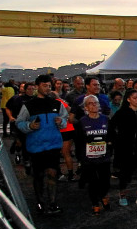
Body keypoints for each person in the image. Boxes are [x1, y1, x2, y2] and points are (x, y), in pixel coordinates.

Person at [16, 75, 68, 215]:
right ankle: (40, 202)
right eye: (45, 85)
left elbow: (65, 119)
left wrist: (61, 122)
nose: (47, 88)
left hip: (53, 145)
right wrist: (30, 126)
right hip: (36, 145)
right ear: (37, 86)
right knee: (38, 175)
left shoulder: (56, 104)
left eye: (49, 86)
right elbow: (19, 123)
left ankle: (52, 203)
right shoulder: (29, 105)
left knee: (52, 173)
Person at [75, 95, 111, 215]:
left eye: (96, 103)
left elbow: (111, 137)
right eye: (90, 103)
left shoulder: (105, 119)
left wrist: (109, 145)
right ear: (86, 107)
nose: (94, 105)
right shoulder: (82, 122)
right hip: (88, 159)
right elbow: (79, 141)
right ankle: (95, 203)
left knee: (105, 181)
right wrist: (81, 158)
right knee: (93, 182)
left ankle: (103, 195)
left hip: (104, 158)